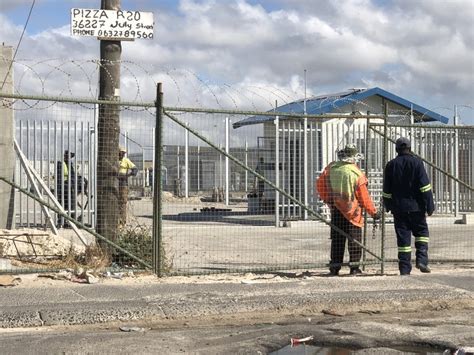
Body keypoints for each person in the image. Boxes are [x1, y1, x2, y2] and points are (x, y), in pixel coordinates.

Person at [316, 144, 380, 276]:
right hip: (353, 212)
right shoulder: (356, 174)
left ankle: (335, 267)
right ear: (354, 158)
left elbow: (320, 185)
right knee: (354, 241)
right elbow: (363, 196)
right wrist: (373, 212)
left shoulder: (330, 168)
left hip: (336, 210)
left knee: (337, 241)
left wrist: (328, 199)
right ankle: (354, 267)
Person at [383, 137, 434, 275]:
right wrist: (430, 205)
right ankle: (422, 260)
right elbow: (425, 187)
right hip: (417, 208)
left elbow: (386, 189)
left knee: (403, 240)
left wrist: (387, 205)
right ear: (410, 148)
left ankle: (404, 269)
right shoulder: (417, 163)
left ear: (397, 149)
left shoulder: (391, 165)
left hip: (399, 209)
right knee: (422, 234)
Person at [118, 147, 138, 225]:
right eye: (121, 152)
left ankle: (122, 221)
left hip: (123, 183)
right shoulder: (114, 160)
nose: (122, 154)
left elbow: (135, 169)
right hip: (114, 182)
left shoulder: (126, 160)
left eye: (124, 153)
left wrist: (128, 175)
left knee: (122, 202)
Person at [56, 150, 76, 227]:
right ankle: (60, 221)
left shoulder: (70, 164)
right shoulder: (60, 164)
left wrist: (71, 182)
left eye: (69, 157)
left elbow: (73, 175)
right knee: (61, 205)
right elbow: (59, 176)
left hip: (69, 187)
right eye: (67, 156)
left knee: (70, 204)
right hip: (62, 187)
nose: (68, 158)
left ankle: (70, 222)